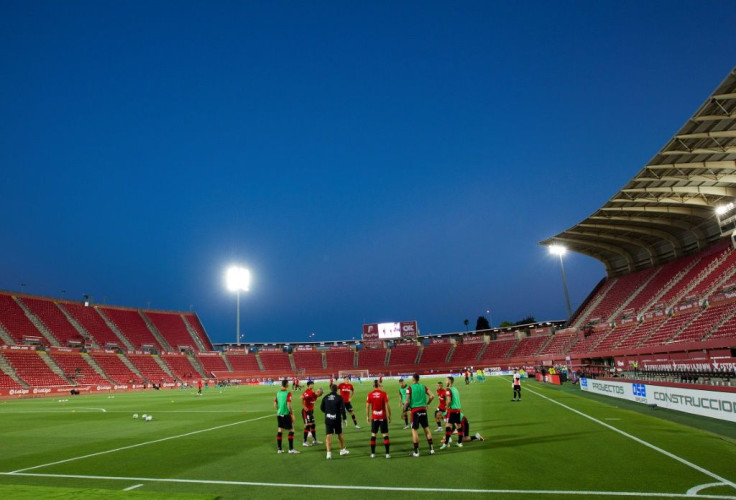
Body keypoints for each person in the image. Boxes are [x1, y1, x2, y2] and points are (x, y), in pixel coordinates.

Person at [403, 373, 435, 457]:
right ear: (419, 379)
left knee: (414, 430)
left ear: (413, 379)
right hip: (423, 410)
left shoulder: (409, 388)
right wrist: (427, 404)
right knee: (426, 429)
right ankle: (431, 449)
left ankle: (416, 452)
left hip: (415, 411)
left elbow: (406, 401)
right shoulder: (423, 386)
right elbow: (432, 396)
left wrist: (404, 410)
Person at [320, 384, 350, 459]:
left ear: (330, 389)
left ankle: (328, 454)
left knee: (328, 436)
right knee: (340, 435)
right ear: (337, 390)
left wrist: (327, 412)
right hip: (337, 419)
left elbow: (322, 408)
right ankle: (342, 450)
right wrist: (345, 418)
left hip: (328, 419)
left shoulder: (325, 397)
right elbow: (343, 409)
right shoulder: (339, 398)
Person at [366, 379, 391, 459]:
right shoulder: (384, 394)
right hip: (383, 417)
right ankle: (387, 454)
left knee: (373, 435)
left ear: (374, 386)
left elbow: (367, 406)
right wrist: (389, 415)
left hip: (374, 417)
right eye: (381, 385)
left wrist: (367, 416)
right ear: (379, 386)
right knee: (385, 435)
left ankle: (373, 454)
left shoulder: (370, 394)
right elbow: (387, 405)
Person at [274, 379, 300, 454]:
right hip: (286, 414)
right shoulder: (288, 393)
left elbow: (275, 405)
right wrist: (292, 414)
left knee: (280, 430)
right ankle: (291, 449)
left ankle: (279, 449)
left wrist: (279, 410)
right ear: (287, 385)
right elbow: (289, 404)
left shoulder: (277, 393)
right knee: (291, 430)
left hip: (279, 414)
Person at [441, 376, 463, 449]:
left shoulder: (448, 389)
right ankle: (459, 442)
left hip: (452, 410)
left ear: (449, 381)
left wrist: (446, 406)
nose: (445, 382)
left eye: (446, 380)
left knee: (448, 426)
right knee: (458, 426)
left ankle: (446, 443)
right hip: (458, 410)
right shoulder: (455, 389)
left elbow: (449, 400)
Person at [301, 381, 322, 446]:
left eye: (318, 392)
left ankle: (314, 440)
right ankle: (304, 442)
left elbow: (313, 401)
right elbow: (301, 398)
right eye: (311, 384)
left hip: (310, 411)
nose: (312, 386)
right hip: (306, 411)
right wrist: (304, 406)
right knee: (307, 425)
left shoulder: (314, 395)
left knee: (313, 425)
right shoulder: (309, 393)